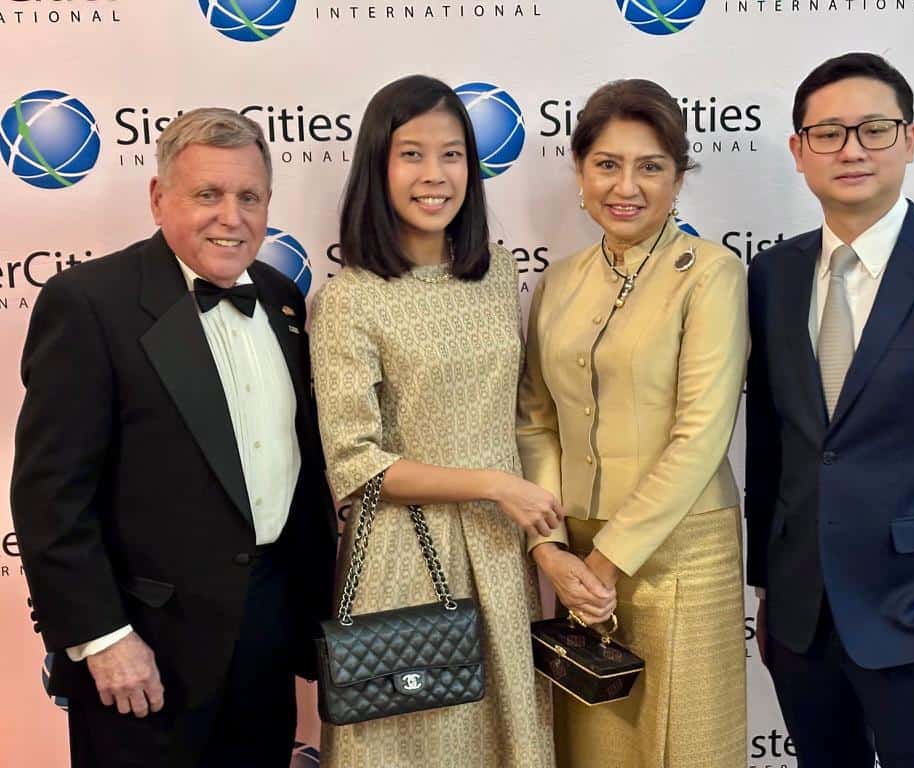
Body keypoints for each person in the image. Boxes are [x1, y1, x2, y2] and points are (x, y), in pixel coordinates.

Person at [10, 108, 337, 768]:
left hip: (267, 639)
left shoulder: (280, 298)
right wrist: (103, 639)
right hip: (143, 652)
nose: (231, 216)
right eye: (207, 195)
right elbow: (50, 497)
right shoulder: (90, 303)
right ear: (160, 199)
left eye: (249, 197)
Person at [746, 52, 914, 768]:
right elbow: (776, 441)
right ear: (798, 151)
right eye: (829, 133)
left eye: (874, 128)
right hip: (801, 620)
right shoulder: (772, 274)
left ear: (910, 139)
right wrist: (769, 586)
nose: (852, 149)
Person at [310, 74, 557, 768]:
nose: (434, 175)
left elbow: (518, 414)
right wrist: (494, 485)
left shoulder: (500, 273)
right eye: (411, 153)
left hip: (501, 554)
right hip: (404, 557)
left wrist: (533, 525)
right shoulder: (350, 299)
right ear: (377, 167)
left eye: (451, 155)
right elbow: (355, 463)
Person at [518, 79, 749, 768]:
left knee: (687, 748)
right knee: (595, 750)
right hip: (575, 560)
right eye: (608, 164)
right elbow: (536, 423)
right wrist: (550, 549)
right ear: (580, 172)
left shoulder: (711, 273)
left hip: (679, 553)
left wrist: (603, 562)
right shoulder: (559, 281)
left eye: (650, 166)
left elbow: (702, 433)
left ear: (678, 178)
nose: (627, 185)